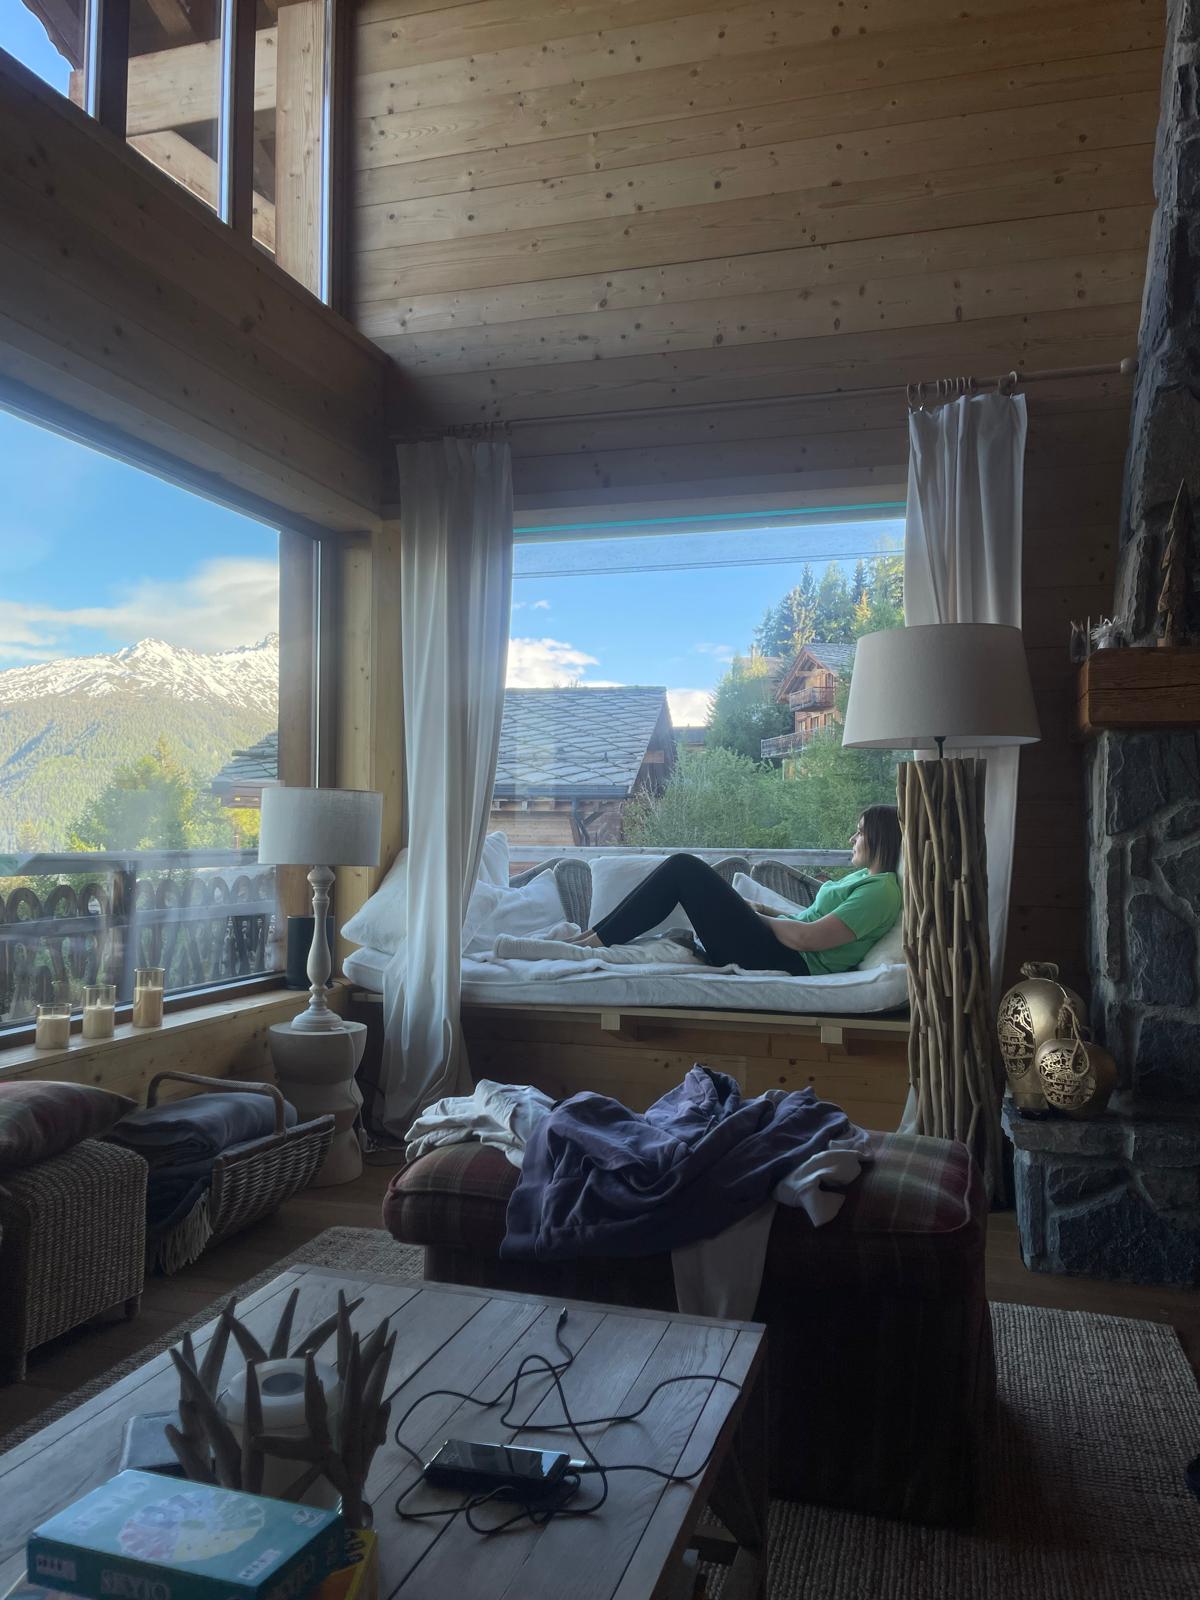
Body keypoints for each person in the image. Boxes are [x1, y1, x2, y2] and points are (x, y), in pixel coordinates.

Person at [575, 805, 903, 976]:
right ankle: (590, 938)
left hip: (787, 959)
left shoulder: (880, 892)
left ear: (880, 838)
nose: (852, 839)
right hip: (778, 949)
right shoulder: (865, 880)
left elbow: (807, 939)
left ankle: (592, 942)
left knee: (684, 868)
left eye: (860, 833)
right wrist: (765, 910)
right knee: (681, 868)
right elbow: (809, 921)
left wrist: (753, 917)